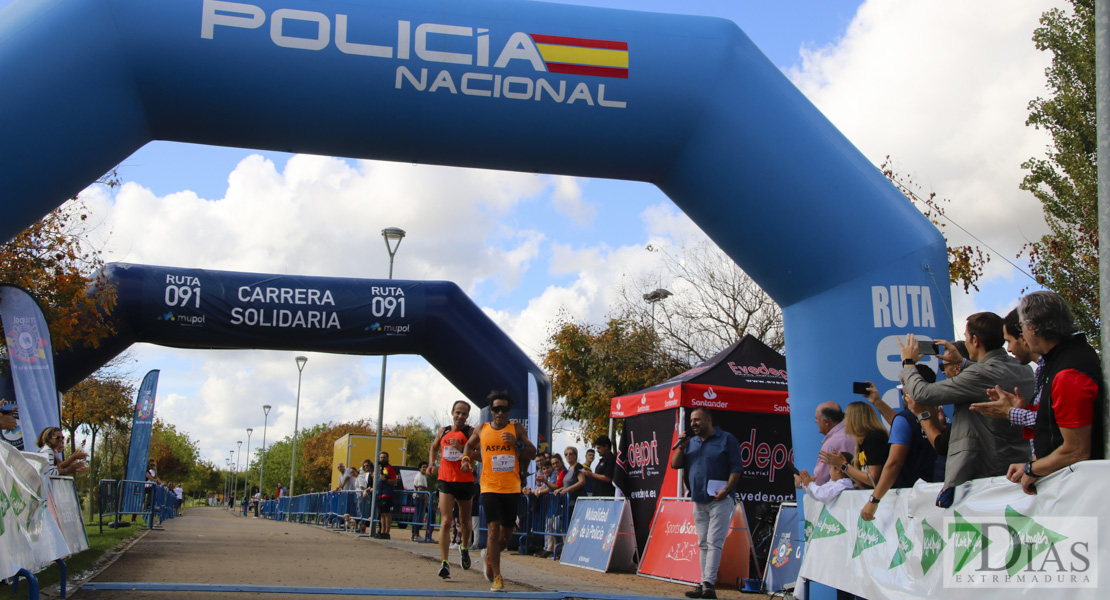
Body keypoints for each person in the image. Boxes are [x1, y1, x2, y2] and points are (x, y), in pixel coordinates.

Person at [898, 313, 1034, 501]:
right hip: (1020, 462)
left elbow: (922, 393)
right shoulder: (1023, 368)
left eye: (966, 336)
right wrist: (962, 362)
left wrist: (908, 363)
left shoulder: (981, 374)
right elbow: (991, 373)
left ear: (975, 340)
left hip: (987, 473)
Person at [1003, 291, 1104, 494]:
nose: (1022, 334)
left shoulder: (1068, 372)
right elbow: (1055, 435)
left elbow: (1076, 451)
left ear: (1032, 327)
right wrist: (1031, 465)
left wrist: (1033, 469)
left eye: (1022, 327)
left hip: (1079, 491)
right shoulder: (1058, 359)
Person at [461, 390, 536, 592]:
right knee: (493, 531)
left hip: (512, 487)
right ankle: (498, 577)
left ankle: (488, 555)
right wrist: (466, 460)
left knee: (505, 536)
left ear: (509, 410)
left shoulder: (517, 428)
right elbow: (468, 447)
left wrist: (517, 444)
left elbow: (533, 452)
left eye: (504, 409)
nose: (500, 413)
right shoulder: (482, 429)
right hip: (489, 486)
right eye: (496, 409)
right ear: (491, 410)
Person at [670, 408, 742, 600]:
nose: (693, 423)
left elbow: (736, 469)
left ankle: (708, 583)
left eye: (697, 420)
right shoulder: (690, 442)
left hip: (720, 499)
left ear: (708, 420)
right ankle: (704, 584)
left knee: (714, 541)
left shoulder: (726, 439)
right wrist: (681, 446)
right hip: (699, 499)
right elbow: (675, 464)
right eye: (692, 420)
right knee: (703, 543)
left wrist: (727, 489)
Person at [860, 367, 940, 522]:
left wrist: (874, 500)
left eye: (904, 386)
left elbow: (894, 463)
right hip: (937, 494)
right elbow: (906, 426)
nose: (903, 392)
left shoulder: (906, 420)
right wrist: (877, 402)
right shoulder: (939, 416)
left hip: (911, 501)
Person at [970, 309, 1041, 455]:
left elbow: (1054, 422)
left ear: (1024, 337)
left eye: (1009, 341)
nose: (1008, 349)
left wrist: (1010, 412)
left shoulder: (1064, 371)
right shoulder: (1041, 369)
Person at [428, 399, 477, 578]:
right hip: (446, 480)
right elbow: (433, 448)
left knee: (464, 522)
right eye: (458, 412)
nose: (460, 416)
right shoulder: (444, 431)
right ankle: (445, 563)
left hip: (464, 481)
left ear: (467, 416)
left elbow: (480, 455)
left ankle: (464, 548)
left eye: (464, 414)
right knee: (446, 521)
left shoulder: (471, 432)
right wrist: (432, 463)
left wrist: (464, 449)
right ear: (452, 413)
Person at [817, 402, 889, 490]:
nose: (844, 422)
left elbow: (873, 479)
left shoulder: (874, 438)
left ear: (854, 419)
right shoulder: (862, 442)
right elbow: (863, 481)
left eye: (846, 417)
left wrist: (843, 465)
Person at [809, 402, 855, 486]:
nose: (815, 421)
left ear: (826, 421)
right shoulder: (854, 432)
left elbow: (819, 480)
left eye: (817, 418)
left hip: (844, 496)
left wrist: (803, 483)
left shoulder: (831, 443)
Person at [369, 451, 400, 538]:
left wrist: (385, 480)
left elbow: (394, 481)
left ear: (387, 458)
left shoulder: (390, 469)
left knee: (387, 513)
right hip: (380, 493)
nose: (382, 459)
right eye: (381, 457)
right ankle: (382, 531)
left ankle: (387, 532)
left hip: (387, 493)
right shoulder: (380, 469)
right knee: (381, 513)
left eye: (384, 457)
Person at [411, 461, 429, 541]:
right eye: (423, 467)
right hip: (419, 498)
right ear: (420, 468)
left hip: (420, 498)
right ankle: (416, 534)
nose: (425, 469)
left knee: (417, 515)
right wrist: (424, 498)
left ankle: (415, 533)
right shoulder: (420, 476)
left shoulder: (423, 476)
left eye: (426, 467)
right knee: (418, 516)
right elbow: (420, 489)